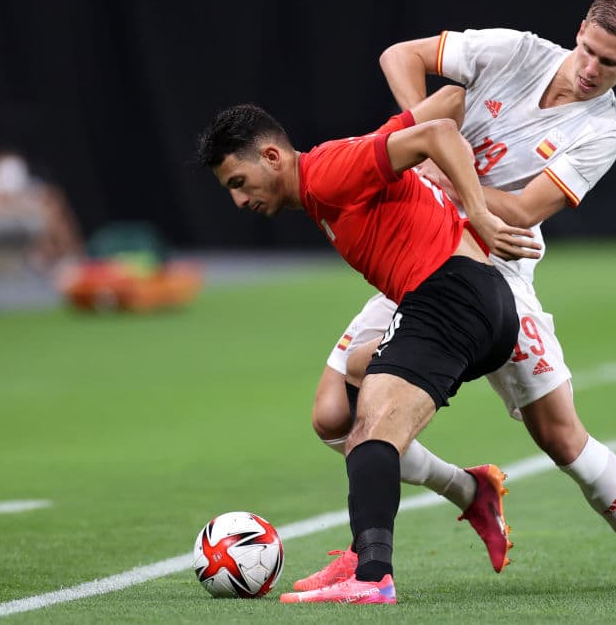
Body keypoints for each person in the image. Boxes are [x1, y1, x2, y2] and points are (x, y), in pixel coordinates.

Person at [301, 0, 616, 593]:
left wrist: (440, 167)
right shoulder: (515, 51)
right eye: (588, 50)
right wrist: (419, 127)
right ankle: (463, 491)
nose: (590, 69)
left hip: (494, 269)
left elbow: (526, 210)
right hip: (420, 252)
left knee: (559, 436)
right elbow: (399, 55)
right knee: (335, 416)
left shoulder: (603, 131)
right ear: (580, 30)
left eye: (610, 63)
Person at [196, 85, 541, 604]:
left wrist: (480, 213)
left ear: (272, 157)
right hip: (462, 302)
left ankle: (373, 575)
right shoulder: (332, 176)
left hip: (452, 295)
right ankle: (421, 521)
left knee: (373, 432)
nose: (239, 200)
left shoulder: (328, 171)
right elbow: (447, 101)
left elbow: (440, 132)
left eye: (239, 183)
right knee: (342, 403)